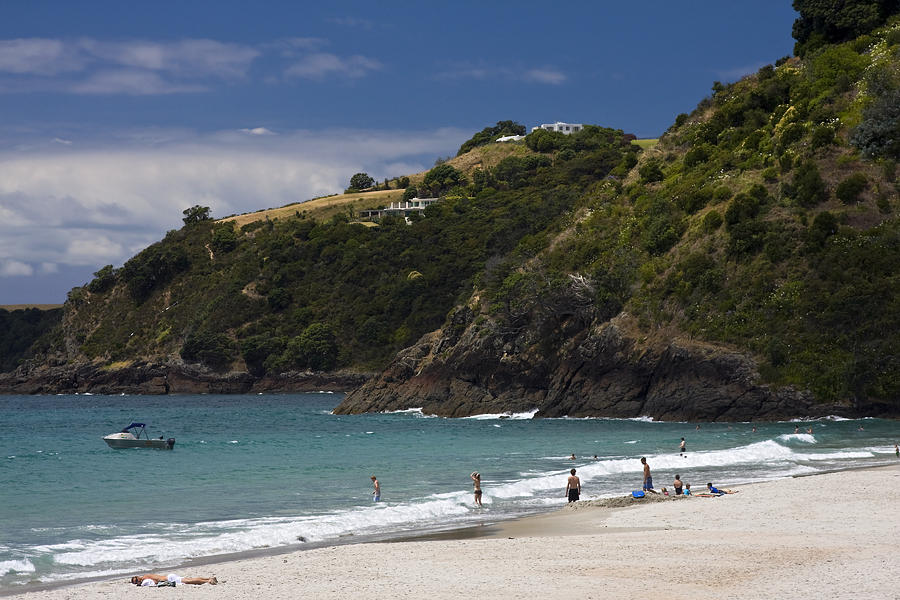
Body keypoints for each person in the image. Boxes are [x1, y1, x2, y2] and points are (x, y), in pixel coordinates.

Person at [130, 574, 217, 586]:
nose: (137, 582)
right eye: (136, 582)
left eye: (136, 580)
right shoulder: (145, 576)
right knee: (189, 579)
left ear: (138, 577)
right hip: (169, 576)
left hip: (169, 578)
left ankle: (207, 581)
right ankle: (208, 578)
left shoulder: (145, 578)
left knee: (188, 581)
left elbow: (156, 582)